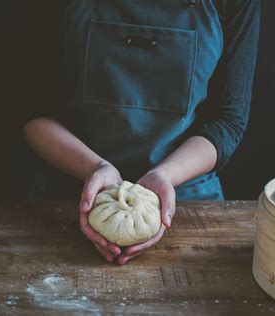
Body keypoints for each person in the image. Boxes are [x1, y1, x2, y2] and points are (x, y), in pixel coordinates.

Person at [24, 0, 260, 265]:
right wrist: (95, 168)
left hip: (188, 205)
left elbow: (228, 122)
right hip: (70, 199)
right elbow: (32, 113)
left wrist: (165, 175)